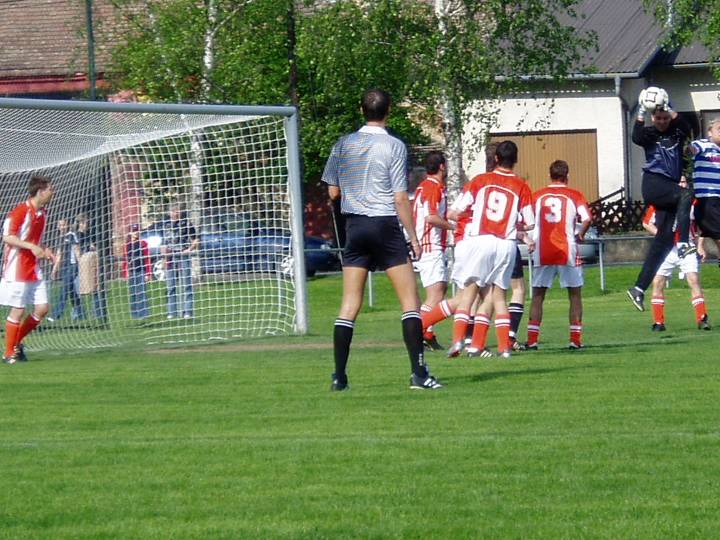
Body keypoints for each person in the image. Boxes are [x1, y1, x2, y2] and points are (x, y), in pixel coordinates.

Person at [322, 88, 442, 391]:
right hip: (385, 225)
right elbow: (400, 197)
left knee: (349, 304)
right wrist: (413, 237)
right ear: (388, 111)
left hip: (356, 226)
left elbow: (333, 191)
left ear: (361, 110)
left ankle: (339, 377)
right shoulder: (394, 145)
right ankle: (419, 374)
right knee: (410, 302)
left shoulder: (342, 144)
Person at [445, 140, 534, 358]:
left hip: (481, 240)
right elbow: (530, 223)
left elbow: (454, 212)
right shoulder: (521, 186)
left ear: (495, 158)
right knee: (498, 296)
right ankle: (503, 348)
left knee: (470, 291)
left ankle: (458, 340)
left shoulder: (480, 180)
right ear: (516, 160)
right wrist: (514, 224)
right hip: (505, 244)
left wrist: (470, 216)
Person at [627, 87, 694, 311]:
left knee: (664, 241)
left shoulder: (677, 131)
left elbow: (688, 127)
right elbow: (635, 136)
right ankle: (683, 243)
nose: (662, 121)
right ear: (652, 118)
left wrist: (668, 106)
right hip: (654, 184)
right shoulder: (649, 134)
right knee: (686, 193)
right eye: (658, 118)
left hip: (670, 188)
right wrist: (641, 111)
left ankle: (638, 288)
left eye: (665, 118)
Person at [525, 160, 592, 350]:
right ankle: (575, 340)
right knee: (574, 294)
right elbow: (587, 218)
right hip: (567, 250)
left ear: (550, 175)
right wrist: (581, 234)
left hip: (542, 250)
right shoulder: (574, 195)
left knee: (538, 295)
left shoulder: (537, 196)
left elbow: (527, 219)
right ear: (567, 176)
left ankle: (532, 340)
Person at [0, 176, 55, 364]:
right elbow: (7, 237)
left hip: (33, 268)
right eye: (50, 189)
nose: (53, 193)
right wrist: (31, 247)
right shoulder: (20, 211)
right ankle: (9, 353)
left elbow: (35, 241)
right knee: (18, 310)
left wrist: (44, 250)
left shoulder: (42, 213)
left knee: (42, 308)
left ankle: (15, 343)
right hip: (17, 269)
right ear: (40, 192)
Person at [642, 204, 711, 332]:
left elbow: (703, 225)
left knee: (694, 280)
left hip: (687, 246)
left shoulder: (693, 203)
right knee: (658, 282)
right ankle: (658, 322)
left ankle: (702, 319)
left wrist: (700, 246)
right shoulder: (659, 202)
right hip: (665, 248)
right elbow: (646, 223)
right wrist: (662, 236)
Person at [412, 150, 454, 351]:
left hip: (431, 245)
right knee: (436, 294)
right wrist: (453, 227)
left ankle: (427, 333)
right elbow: (431, 217)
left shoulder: (426, 186)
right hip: (430, 245)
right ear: (442, 166)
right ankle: (418, 332)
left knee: (439, 290)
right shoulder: (431, 187)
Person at [689, 118, 720, 257]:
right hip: (708, 197)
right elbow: (692, 149)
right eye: (719, 129)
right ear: (709, 132)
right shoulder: (703, 144)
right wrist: (689, 149)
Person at [163, 204, 199, 319]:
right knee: (171, 285)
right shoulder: (165, 225)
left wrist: (189, 250)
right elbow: (163, 243)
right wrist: (164, 256)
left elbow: (196, 240)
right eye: (173, 211)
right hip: (170, 256)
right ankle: (171, 312)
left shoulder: (187, 224)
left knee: (187, 284)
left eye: (177, 211)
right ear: (169, 213)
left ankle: (187, 311)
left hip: (183, 255)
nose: (175, 213)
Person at [49, 217, 84, 322]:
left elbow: (77, 251)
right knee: (71, 291)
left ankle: (56, 315)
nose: (61, 227)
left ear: (68, 225)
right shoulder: (60, 238)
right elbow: (59, 255)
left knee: (64, 289)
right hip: (64, 267)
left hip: (73, 266)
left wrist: (81, 266)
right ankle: (81, 313)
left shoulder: (71, 235)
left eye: (63, 225)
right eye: (60, 225)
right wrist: (54, 270)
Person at [125, 224, 152, 320]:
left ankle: (143, 313)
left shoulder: (143, 243)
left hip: (141, 270)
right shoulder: (127, 245)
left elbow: (147, 259)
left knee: (141, 292)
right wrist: (126, 273)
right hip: (131, 272)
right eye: (133, 231)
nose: (135, 233)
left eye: (137, 230)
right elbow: (125, 260)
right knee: (133, 293)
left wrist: (148, 273)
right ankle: (135, 314)